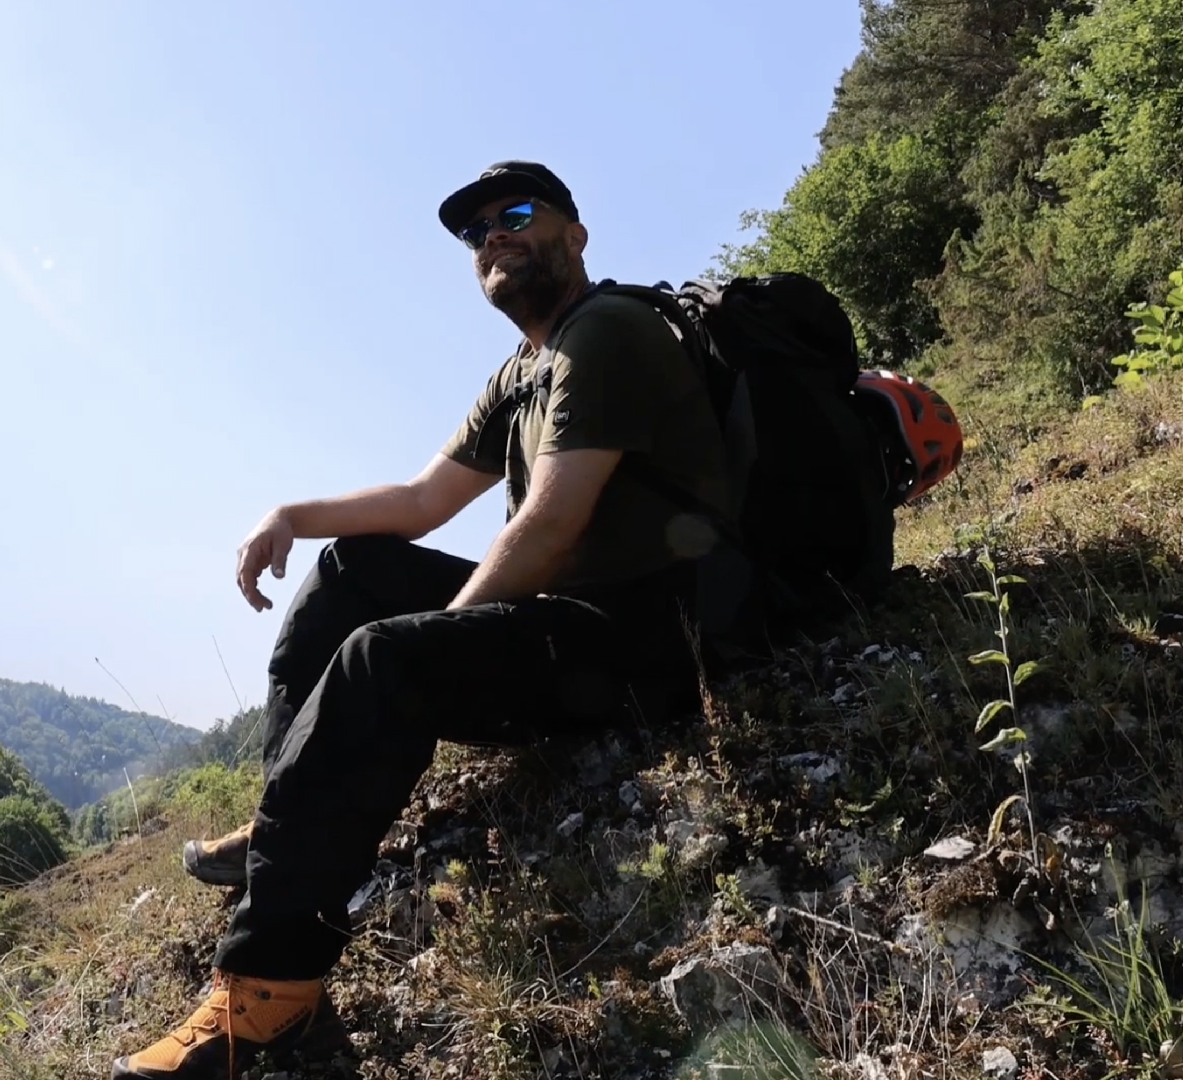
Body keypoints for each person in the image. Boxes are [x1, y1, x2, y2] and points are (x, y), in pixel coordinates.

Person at [112, 161, 734, 1079]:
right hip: (576, 620)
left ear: (576, 234)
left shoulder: (606, 333)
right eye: (475, 229)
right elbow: (420, 500)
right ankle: (285, 827)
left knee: (381, 660)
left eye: (517, 214)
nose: (494, 236)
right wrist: (292, 514)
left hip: (649, 639)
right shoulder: (525, 369)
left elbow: (552, 525)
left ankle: (269, 1000)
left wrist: (442, 644)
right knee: (352, 570)